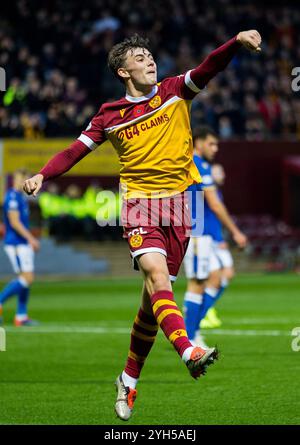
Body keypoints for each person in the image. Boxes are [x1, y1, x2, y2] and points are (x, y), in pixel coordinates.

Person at [23, 31, 262, 420]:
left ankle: (128, 379)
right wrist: (43, 175)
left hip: (180, 207)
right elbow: (74, 151)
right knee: (158, 278)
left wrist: (235, 43)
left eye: (151, 55)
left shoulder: (174, 91)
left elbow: (209, 67)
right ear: (123, 70)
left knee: (152, 301)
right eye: (140, 57)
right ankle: (188, 350)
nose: (150, 60)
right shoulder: (109, 114)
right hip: (140, 206)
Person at [183, 128, 247, 348]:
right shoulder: (196, 164)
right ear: (198, 142)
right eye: (211, 144)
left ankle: (193, 330)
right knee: (198, 283)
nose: (215, 148)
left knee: (215, 278)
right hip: (196, 232)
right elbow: (215, 204)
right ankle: (189, 338)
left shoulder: (198, 164)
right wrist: (235, 231)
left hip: (203, 234)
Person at [0, 168, 40, 326]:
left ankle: (21, 316)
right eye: (23, 178)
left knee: (25, 278)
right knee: (27, 278)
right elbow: (15, 222)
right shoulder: (12, 197)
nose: (25, 182)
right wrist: (31, 239)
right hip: (16, 243)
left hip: (22, 243)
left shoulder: (20, 197)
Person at [200, 163, 235, 330]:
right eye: (219, 172)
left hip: (217, 238)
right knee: (215, 277)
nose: (223, 175)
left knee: (227, 274)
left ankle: (206, 308)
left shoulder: (216, 192)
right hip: (208, 239)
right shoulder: (206, 192)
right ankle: (203, 312)